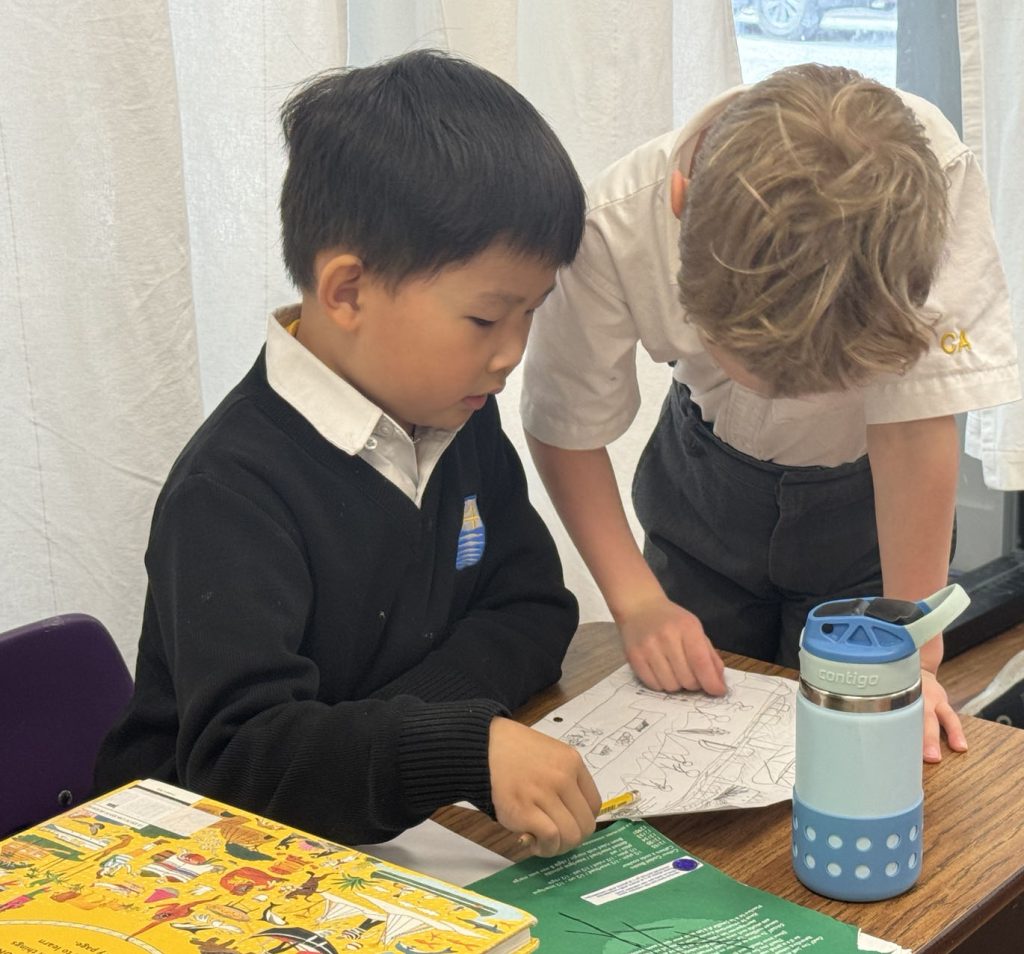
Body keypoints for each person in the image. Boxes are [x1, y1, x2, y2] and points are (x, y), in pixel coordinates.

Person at [95, 49, 601, 857]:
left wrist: (413, 733)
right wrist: (453, 745)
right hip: (191, 867)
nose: (511, 353)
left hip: (383, 833)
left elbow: (535, 608)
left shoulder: (461, 415)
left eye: (531, 314)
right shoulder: (229, 491)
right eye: (485, 318)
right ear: (348, 292)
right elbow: (239, 765)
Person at [521, 64, 1020, 764]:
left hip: (870, 507)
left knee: (859, 748)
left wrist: (918, 648)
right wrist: (637, 603)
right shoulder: (612, 223)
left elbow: (914, 420)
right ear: (680, 204)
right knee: (691, 737)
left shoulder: (929, 182)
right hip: (705, 496)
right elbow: (564, 424)